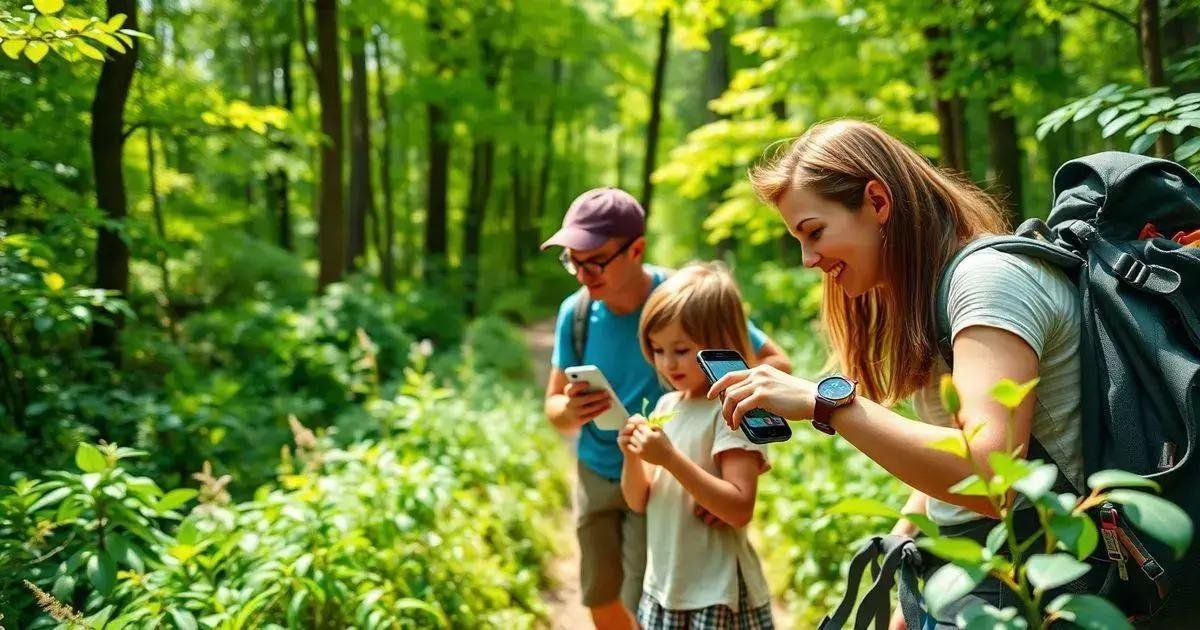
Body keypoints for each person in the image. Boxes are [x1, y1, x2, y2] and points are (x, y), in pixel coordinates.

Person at [706, 120, 1090, 627]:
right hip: (976, 573)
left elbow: (991, 476)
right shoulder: (931, 291)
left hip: (1032, 583)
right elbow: (952, 445)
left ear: (877, 202)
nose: (807, 259)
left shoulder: (988, 284)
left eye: (814, 232)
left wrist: (827, 404)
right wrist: (911, 538)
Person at [541, 187, 791, 629]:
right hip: (603, 467)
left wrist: (720, 475)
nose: (581, 274)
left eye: (594, 260)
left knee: (644, 593)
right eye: (572, 261)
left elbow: (774, 365)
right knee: (598, 591)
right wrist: (574, 409)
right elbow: (554, 407)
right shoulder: (574, 314)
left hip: (670, 482)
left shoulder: (685, 300)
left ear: (635, 249)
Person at [619, 262, 775, 629]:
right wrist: (631, 456)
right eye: (657, 350)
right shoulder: (666, 407)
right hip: (665, 587)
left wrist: (669, 459)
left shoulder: (732, 408)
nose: (666, 363)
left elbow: (739, 507)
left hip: (715, 593)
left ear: (722, 342)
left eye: (681, 349)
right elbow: (638, 500)